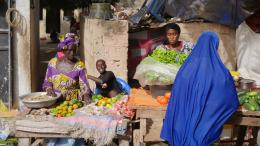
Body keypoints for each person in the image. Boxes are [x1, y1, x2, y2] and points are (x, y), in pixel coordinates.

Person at [160, 32, 239, 146]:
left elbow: (176, 97)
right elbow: (230, 102)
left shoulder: (185, 69)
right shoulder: (221, 73)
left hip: (180, 128)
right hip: (205, 130)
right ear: (215, 46)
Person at [42, 35, 92, 103]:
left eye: (74, 50)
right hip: (54, 99)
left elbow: (84, 86)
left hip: (73, 102)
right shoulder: (52, 63)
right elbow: (47, 81)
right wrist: (49, 89)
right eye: (70, 50)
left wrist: (86, 95)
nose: (73, 53)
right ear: (63, 50)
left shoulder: (79, 66)